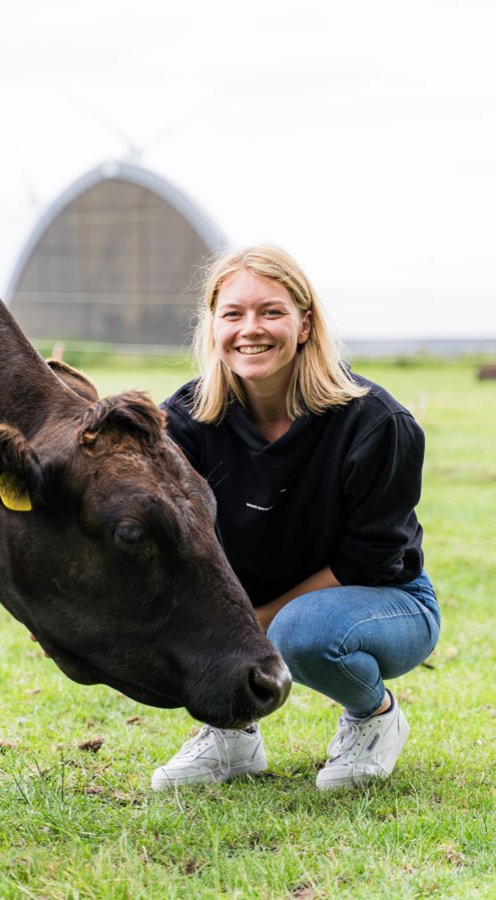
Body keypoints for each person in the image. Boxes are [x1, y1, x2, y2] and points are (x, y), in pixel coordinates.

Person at [151, 244, 440, 791]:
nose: (250, 329)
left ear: (305, 325)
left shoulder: (377, 424)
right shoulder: (185, 423)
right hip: (248, 605)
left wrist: (250, 625)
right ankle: (231, 734)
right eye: (232, 313)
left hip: (386, 601)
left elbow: (370, 560)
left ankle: (374, 718)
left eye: (271, 312)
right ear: (213, 326)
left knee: (302, 632)